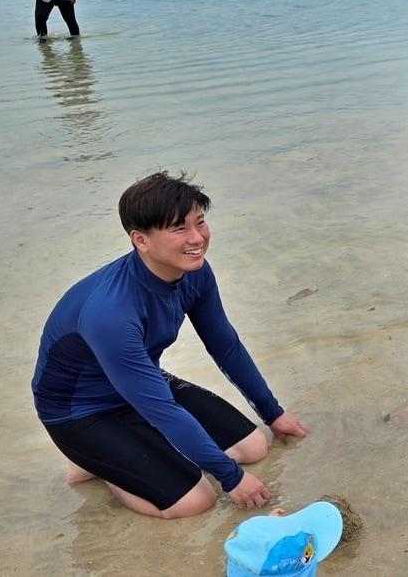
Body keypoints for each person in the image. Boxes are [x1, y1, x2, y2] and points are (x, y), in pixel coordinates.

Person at [32, 171, 310, 519]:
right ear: (141, 240)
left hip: (140, 386)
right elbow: (160, 408)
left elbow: (225, 346)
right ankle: (103, 468)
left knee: (254, 446)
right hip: (81, 413)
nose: (197, 238)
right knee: (196, 501)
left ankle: (139, 452)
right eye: (179, 228)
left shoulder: (195, 273)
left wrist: (273, 412)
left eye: (200, 222)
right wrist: (231, 478)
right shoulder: (110, 313)